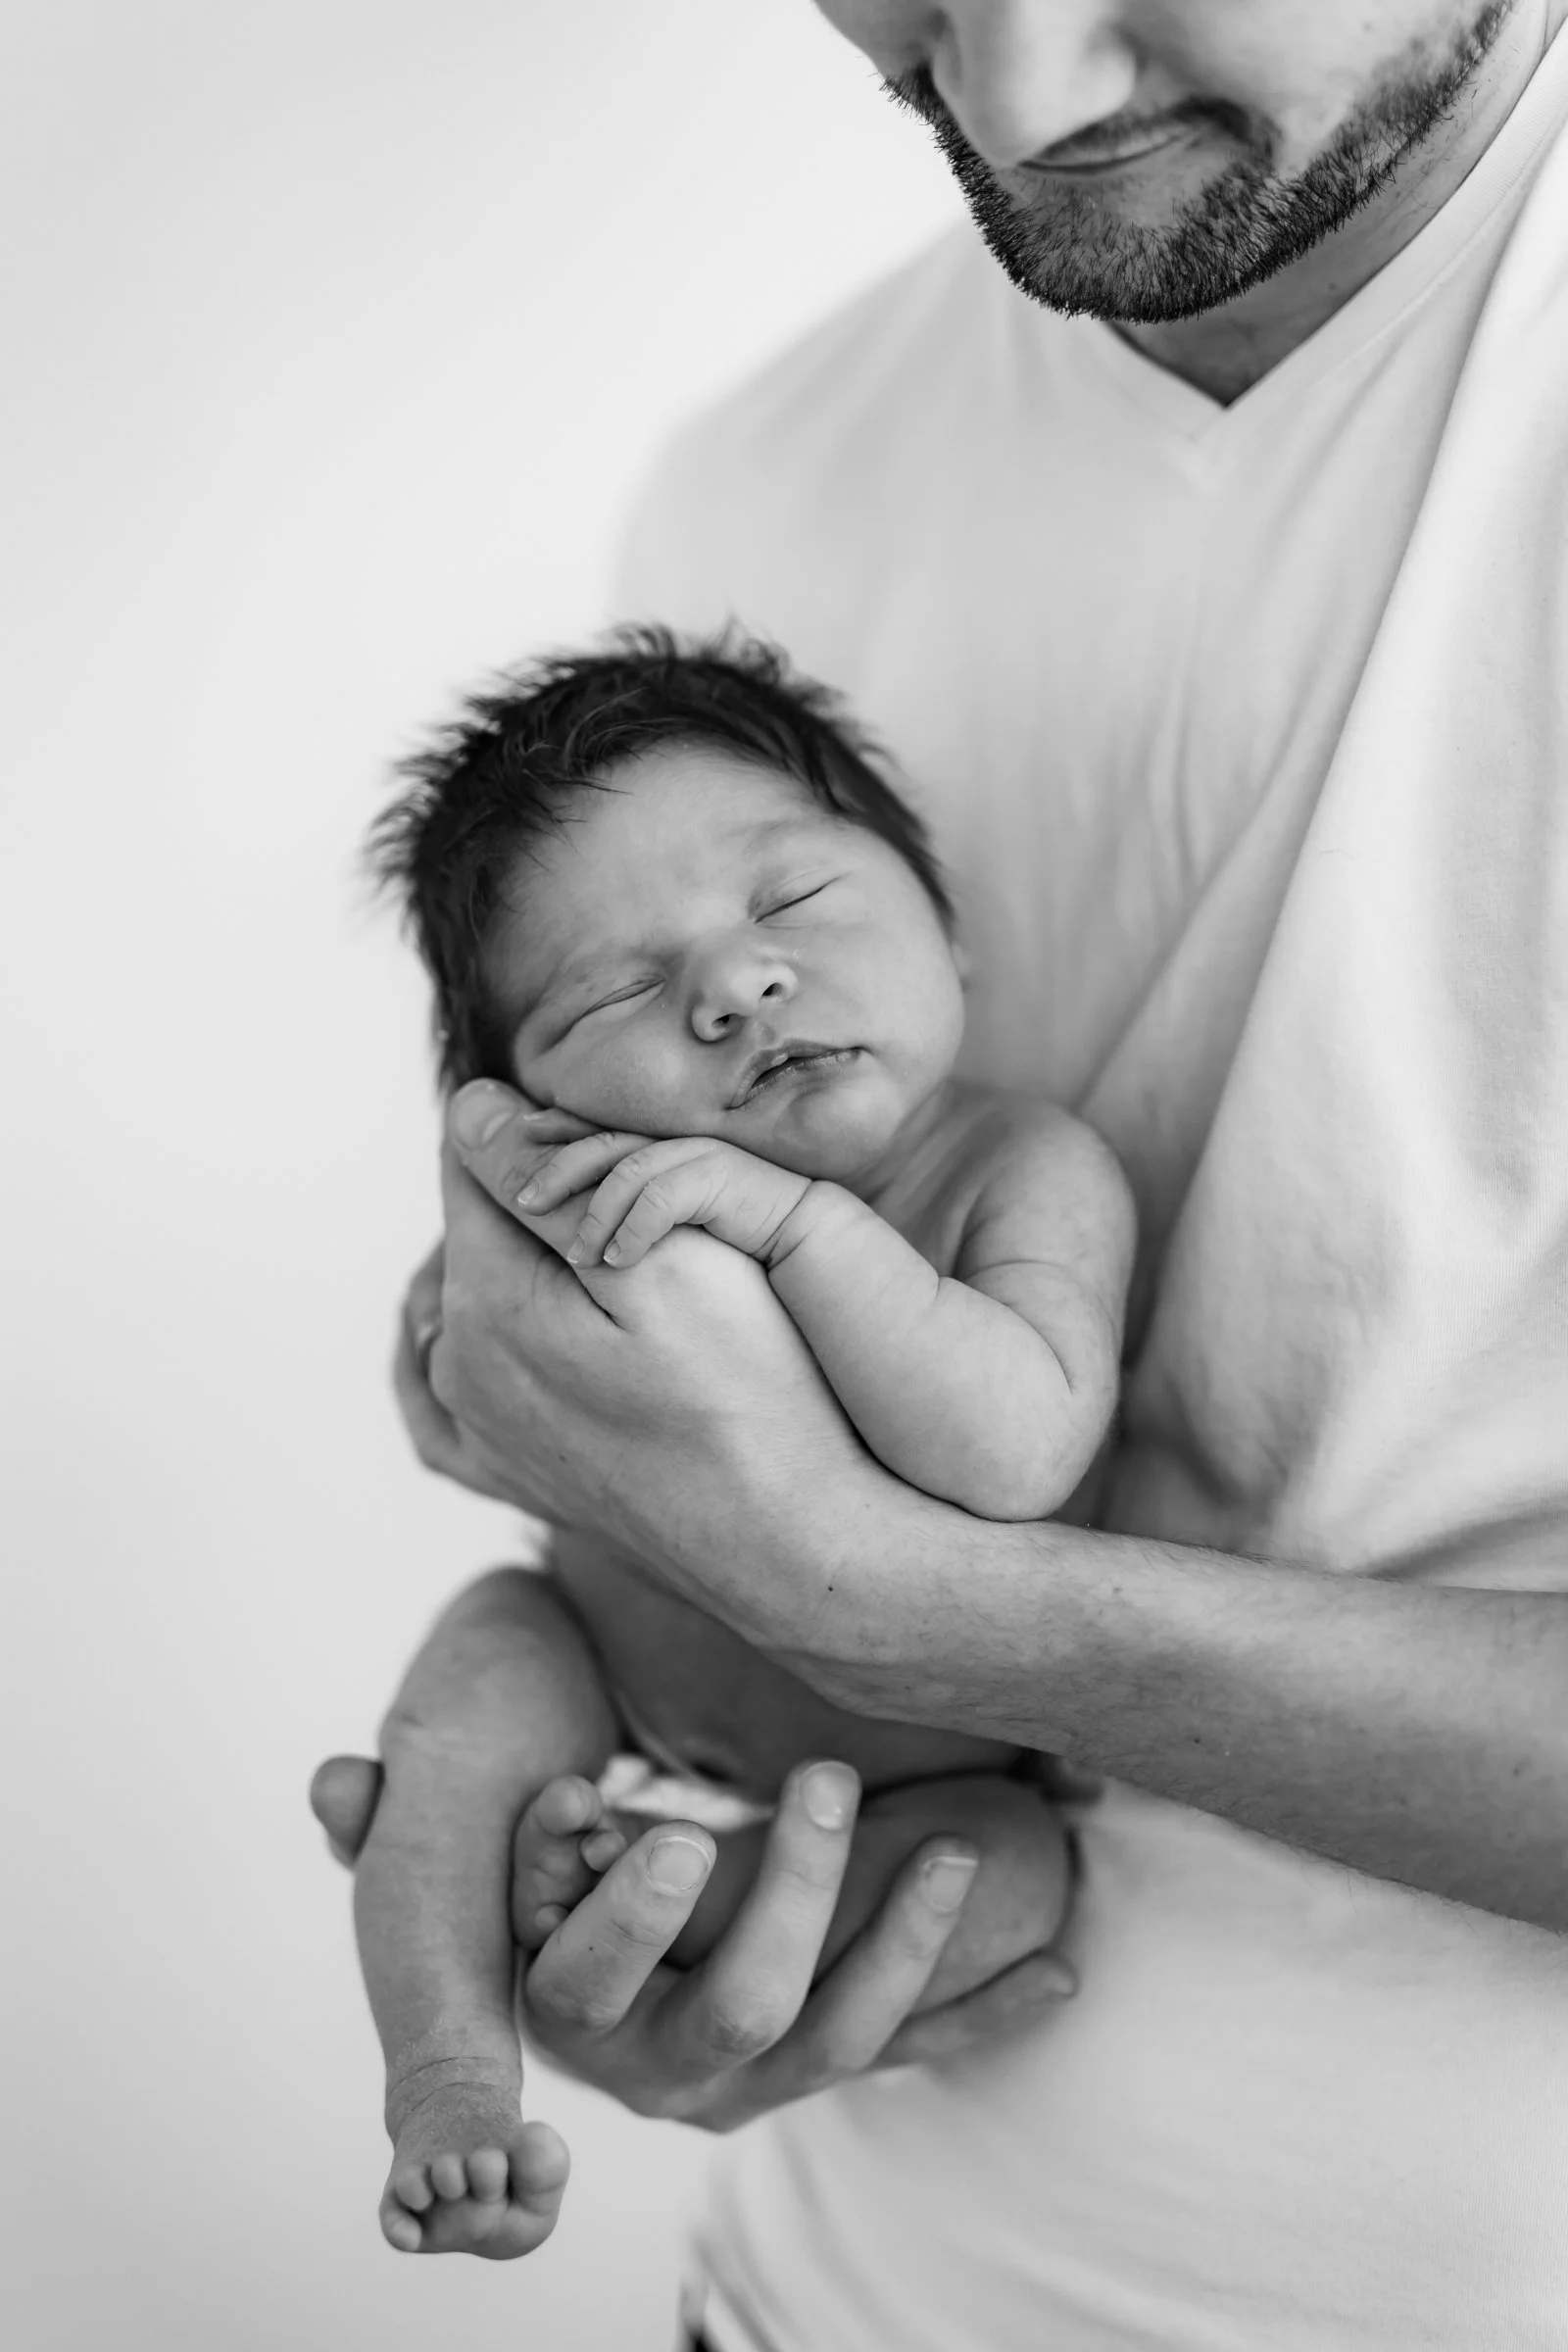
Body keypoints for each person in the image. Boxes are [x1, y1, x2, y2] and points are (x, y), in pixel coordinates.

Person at [315, 3, 1568, 2344]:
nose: (1010, 101)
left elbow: (961, 1459)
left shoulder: (1008, 1175)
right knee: (462, 1726)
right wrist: (622, 1941)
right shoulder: (749, 518)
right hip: (822, 2300)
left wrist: (876, 1599)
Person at [348, 630, 1120, 2256]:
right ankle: (450, 2076)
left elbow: (1018, 1454)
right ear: (525, 1104)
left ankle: (671, 1906)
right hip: (602, 1659)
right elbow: (472, 1371)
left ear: (948, 925)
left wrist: (793, 1226)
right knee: (468, 1708)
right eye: (619, 989)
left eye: (793, 904)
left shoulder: (1012, 1172)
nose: (732, 984)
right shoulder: (611, 1205)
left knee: (1005, 1879)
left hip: (918, 1774)